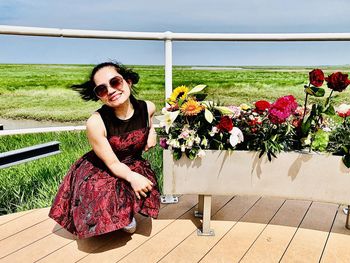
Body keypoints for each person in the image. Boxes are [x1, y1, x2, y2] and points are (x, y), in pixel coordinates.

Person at [49, 61, 160, 239]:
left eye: (115, 82)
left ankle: (125, 211)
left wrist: (152, 131)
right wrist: (132, 177)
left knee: (139, 182)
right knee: (104, 192)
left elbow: (150, 117)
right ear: (99, 97)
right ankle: (119, 217)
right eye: (102, 89)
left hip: (132, 161)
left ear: (128, 82)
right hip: (102, 168)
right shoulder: (96, 122)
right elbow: (113, 163)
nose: (110, 91)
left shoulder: (148, 107)